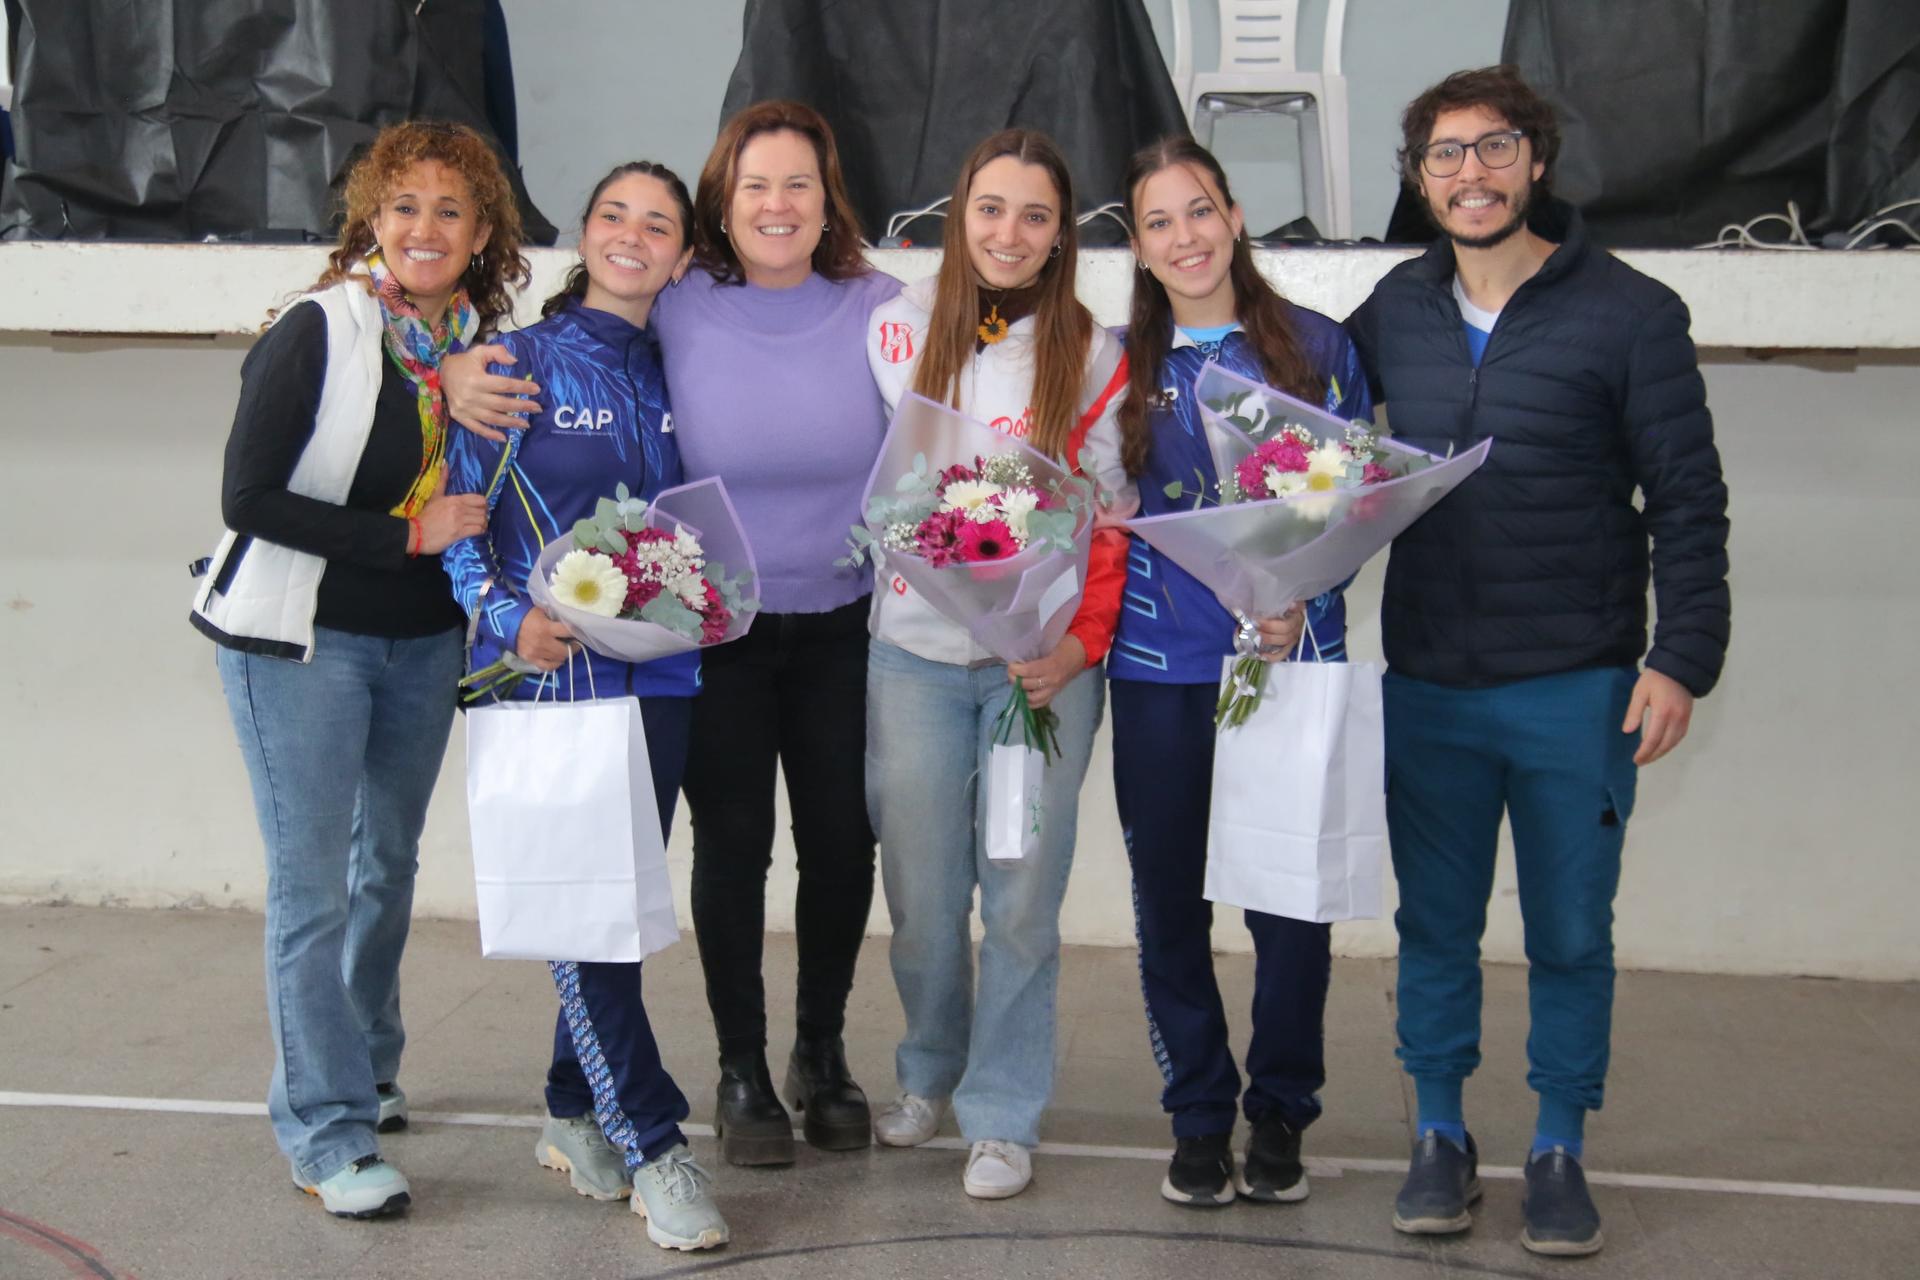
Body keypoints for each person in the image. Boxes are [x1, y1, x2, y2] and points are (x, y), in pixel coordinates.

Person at [442, 101, 899, 1167]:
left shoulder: (879, 307)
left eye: (798, 184)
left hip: (840, 626)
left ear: (827, 198)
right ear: (721, 214)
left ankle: (817, 1053)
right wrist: (454, 367)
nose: (777, 205)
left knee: (840, 842)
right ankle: (738, 1069)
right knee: (727, 850)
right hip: (710, 638)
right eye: (754, 186)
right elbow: (509, 361)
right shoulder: (680, 302)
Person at [1345, 66, 1731, 1257]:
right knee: (1434, 928)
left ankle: (1559, 1144)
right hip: (1429, 686)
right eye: (1446, 155)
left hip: (1579, 685)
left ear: (1537, 161)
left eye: (1495, 147)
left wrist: (1682, 658)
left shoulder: (1631, 311)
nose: (1472, 173)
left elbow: (1688, 501)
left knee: (1570, 929)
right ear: (1418, 179)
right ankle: (1441, 1134)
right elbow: (1327, 482)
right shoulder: (1387, 314)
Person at [189, 120, 525, 1218]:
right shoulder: (320, 330)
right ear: (372, 219)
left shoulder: (484, 346)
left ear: (483, 233)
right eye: (403, 206)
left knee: (387, 863)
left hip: (424, 647)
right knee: (313, 890)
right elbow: (249, 500)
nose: (424, 228)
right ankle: (325, 1133)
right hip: (303, 641)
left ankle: (369, 1068)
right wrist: (407, 536)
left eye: (449, 210)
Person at [440, 161, 728, 1252]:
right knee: (586, 913)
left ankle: (570, 1105)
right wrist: (504, 615)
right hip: (547, 676)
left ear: (684, 254)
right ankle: (654, 1140)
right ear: (585, 230)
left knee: (610, 904)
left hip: (661, 673)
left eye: (659, 224)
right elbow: (456, 511)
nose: (634, 234)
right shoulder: (518, 361)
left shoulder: (683, 370)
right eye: (616, 214)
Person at [863, 128, 1133, 1200]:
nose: (1008, 233)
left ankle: (1004, 1108)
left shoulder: (1098, 353)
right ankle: (930, 1068)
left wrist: (1076, 647)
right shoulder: (891, 330)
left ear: (1061, 231)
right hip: (913, 658)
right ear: (954, 214)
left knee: (1020, 897)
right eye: (989, 209)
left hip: (1041, 673)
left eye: (1033, 214)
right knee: (924, 893)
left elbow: (1112, 516)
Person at [1108, 136, 1372, 1208]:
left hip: (1288, 656)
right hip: (1159, 664)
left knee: (1288, 903)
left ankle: (1279, 1113)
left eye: (1200, 209)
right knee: (1169, 898)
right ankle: (1200, 1111)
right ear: (1139, 243)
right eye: (1160, 220)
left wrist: (1297, 592)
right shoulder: (1114, 359)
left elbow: (1358, 501)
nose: (1186, 236)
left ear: (1234, 213)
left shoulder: (1315, 345)